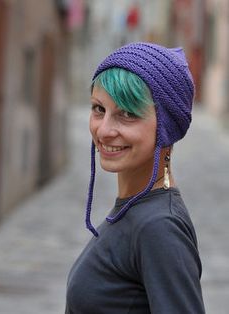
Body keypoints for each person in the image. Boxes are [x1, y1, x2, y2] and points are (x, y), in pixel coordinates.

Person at [65, 42, 205, 313]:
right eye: (98, 109)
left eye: (127, 114)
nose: (104, 130)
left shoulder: (160, 226)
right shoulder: (134, 207)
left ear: (166, 125)